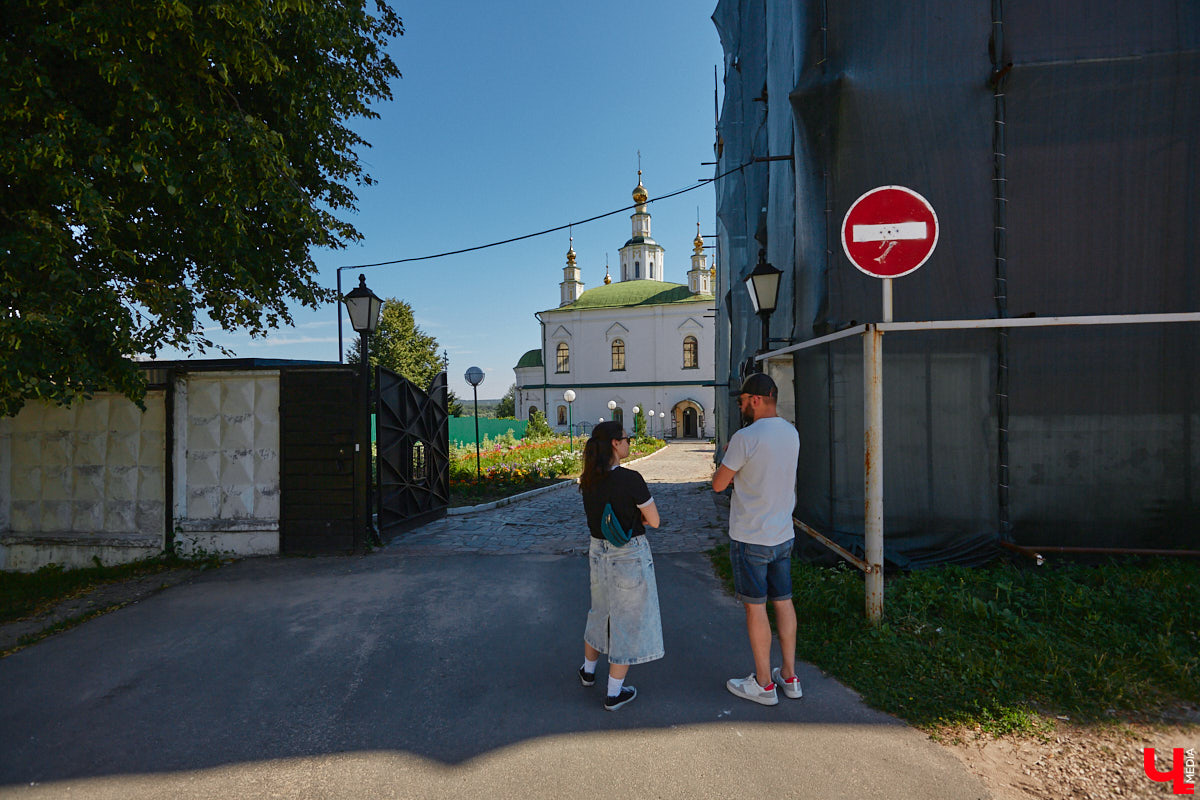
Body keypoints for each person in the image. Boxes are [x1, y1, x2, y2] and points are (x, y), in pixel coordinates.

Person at [712, 372, 802, 706]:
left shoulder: (745, 437)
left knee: (756, 608)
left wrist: (729, 460)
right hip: (783, 534)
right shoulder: (791, 433)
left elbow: (720, 484)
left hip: (751, 536)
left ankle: (764, 684)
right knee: (784, 601)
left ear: (756, 399)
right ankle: (789, 677)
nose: (741, 406)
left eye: (742, 401)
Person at [577, 421, 663, 711]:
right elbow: (654, 520)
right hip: (627, 554)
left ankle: (588, 672)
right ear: (615, 443)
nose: (630, 443)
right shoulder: (631, 479)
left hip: (597, 550)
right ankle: (614, 693)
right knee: (626, 621)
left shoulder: (588, 479)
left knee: (600, 612)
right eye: (628, 439)